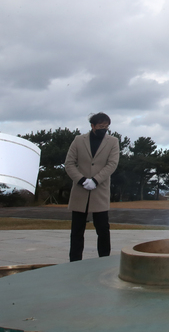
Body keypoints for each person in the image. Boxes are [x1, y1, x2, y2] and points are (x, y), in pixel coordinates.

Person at [64, 112, 120, 262]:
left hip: (99, 190)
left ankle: (104, 260)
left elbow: (112, 164)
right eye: (101, 126)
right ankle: (74, 261)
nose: (104, 129)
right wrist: (82, 179)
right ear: (92, 126)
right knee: (77, 230)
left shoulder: (113, 142)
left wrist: (96, 180)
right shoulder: (78, 140)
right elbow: (69, 163)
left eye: (106, 127)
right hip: (80, 191)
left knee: (102, 229)